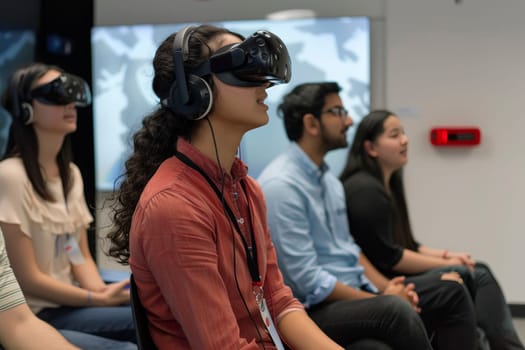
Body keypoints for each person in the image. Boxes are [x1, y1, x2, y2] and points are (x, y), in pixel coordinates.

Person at [106, 24, 351, 350]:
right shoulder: (174, 207)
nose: (264, 84)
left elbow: (277, 298)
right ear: (194, 90)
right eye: (242, 69)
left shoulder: (247, 190)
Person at [258, 82, 479, 350]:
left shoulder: (328, 181)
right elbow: (308, 281)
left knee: (451, 289)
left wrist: (387, 288)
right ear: (311, 124)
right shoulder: (282, 185)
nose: (349, 120)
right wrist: (376, 299)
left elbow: (350, 249)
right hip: (313, 310)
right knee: (396, 310)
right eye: (338, 111)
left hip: (351, 294)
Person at [340, 109, 525, 350]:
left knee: (475, 269)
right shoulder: (365, 190)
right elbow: (392, 257)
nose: (405, 140)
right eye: (394, 135)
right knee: (474, 274)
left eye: (403, 133)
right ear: (371, 148)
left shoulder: (386, 185)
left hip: (392, 274)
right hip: (385, 281)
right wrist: (447, 265)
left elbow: (408, 245)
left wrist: (449, 256)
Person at [0, 63, 136, 345]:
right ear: (26, 109)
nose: (70, 103)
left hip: (72, 302)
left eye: (71, 93)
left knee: (154, 315)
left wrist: (103, 293)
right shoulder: (10, 176)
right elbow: (28, 279)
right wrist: (96, 299)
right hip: (36, 313)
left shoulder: (70, 175)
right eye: (55, 95)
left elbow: (78, 254)